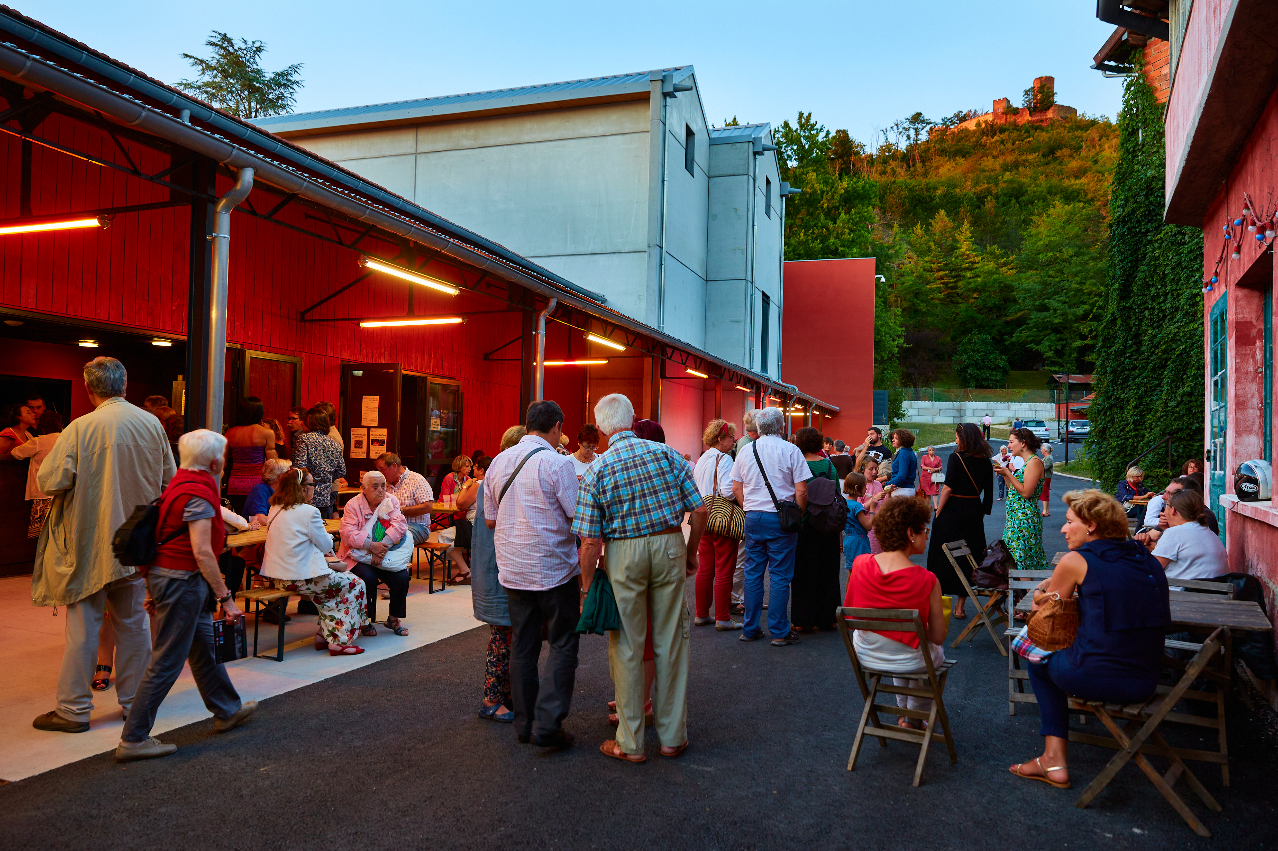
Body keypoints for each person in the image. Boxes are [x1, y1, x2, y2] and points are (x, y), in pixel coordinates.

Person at [31, 357, 174, 734]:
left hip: (88, 542)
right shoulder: (152, 425)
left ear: (89, 389)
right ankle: (135, 705)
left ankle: (74, 711)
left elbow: (50, 481)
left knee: (83, 629)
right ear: (125, 386)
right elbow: (169, 481)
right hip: (136, 541)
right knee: (135, 627)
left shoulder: (81, 428)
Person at [575, 394, 707, 763]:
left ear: (600, 428)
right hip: (667, 545)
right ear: (633, 419)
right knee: (671, 640)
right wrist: (691, 550)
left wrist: (587, 588)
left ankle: (630, 743)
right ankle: (671, 737)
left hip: (622, 553)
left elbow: (589, 541)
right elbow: (699, 509)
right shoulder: (666, 455)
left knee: (627, 645)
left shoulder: (596, 471)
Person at [1010, 490, 1170, 789]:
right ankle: (1052, 757)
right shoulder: (1146, 559)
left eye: (1069, 522)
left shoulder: (1075, 561)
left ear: (1091, 526)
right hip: (1147, 680)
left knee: (1036, 655)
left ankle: (1052, 758)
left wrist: (1040, 593)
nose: (1062, 528)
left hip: (1094, 677)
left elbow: (1042, 613)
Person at [115, 429, 255, 761]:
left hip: (171, 579)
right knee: (166, 661)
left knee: (204, 647)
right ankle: (133, 739)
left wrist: (154, 586)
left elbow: (163, 539)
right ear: (216, 460)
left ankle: (227, 709)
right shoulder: (199, 493)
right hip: (182, 582)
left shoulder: (179, 484)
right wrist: (226, 598)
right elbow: (202, 552)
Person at [484, 400, 581, 751]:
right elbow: (577, 517)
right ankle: (548, 723)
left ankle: (524, 724)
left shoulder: (498, 463)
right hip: (555, 568)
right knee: (562, 643)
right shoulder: (558, 464)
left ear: (527, 425)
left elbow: (490, 518)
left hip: (513, 569)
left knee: (522, 646)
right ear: (556, 426)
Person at [845, 497, 946, 729]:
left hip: (867, 655)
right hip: (909, 659)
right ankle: (914, 717)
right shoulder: (927, 579)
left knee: (902, 640)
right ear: (911, 533)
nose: (927, 535)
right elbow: (938, 636)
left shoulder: (860, 564)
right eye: (924, 530)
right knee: (923, 648)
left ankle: (905, 714)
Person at [260, 466, 367, 654]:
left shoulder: (275, 509)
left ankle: (324, 635)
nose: (314, 488)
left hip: (279, 578)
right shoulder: (309, 511)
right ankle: (340, 641)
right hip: (301, 578)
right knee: (355, 584)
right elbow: (326, 545)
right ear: (301, 488)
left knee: (332, 591)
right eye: (312, 484)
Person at [732, 406, 812, 646]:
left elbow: (736, 487)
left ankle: (750, 627)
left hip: (753, 516)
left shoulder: (746, 450)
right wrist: (798, 513)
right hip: (781, 519)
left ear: (758, 427)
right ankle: (778, 630)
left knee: (753, 572)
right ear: (781, 426)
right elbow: (802, 490)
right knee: (779, 574)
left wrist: (750, 507)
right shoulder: (791, 450)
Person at [471, 427, 525, 724]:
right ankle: (491, 699)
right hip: (500, 569)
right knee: (503, 637)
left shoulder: (493, 475)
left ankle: (504, 694)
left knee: (507, 635)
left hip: (493, 567)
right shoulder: (502, 476)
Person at [926, 423, 993, 620]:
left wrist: (938, 511)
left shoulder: (955, 457)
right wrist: (980, 513)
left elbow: (947, 488)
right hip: (973, 511)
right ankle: (960, 607)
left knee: (942, 554)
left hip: (952, 511)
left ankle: (939, 602)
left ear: (964, 438)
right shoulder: (985, 461)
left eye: (956, 437)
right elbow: (989, 494)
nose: (955, 440)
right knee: (969, 556)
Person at [341, 470, 412, 637]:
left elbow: (400, 525)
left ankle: (394, 618)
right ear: (363, 488)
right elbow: (347, 534)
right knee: (368, 578)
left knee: (402, 577)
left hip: (384, 554)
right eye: (375, 487)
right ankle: (366, 620)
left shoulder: (390, 500)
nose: (381, 490)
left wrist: (383, 546)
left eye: (383, 486)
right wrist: (372, 546)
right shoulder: (353, 505)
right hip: (358, 556)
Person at [790, 426, 842, 633]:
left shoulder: (797, 464)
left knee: (803, 571)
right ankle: (828, 618)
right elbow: (837, 493)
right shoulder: (829, 466)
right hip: (828, 524)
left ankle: (803, 620)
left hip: (805, 523)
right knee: (829, 570)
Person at [693, 419, 740, 630]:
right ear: (721, 438)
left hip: (702, 515)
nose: (734, 440)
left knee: (705, 568)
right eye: (731, 437)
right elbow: (727, 491)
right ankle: (722, 617)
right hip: (721, 517)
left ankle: (701, 614)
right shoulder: (725, 459)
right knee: (724, 568)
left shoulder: (702, 458)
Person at [995, 428, 1048, 570]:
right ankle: (1024, 592)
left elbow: (1026, 493)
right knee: (1015, 561)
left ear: (1023, 443)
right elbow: (1014, 488)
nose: (1009, 446)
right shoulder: (1026, 463)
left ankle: (1029, 592)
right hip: (1016, 520)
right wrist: (1005, 474)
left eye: (1011, 442)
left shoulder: (1034, 462)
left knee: (1022, 562)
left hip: (1024, 520)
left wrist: (1008, 472)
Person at [1151, 490, 1229, 580]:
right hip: (1214, 592)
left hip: (1183, 592)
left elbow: (1151, 569)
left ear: (1173, 510)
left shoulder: (1175, 533)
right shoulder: (1210, 533)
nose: (1164, 512)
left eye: (1166, 506)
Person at [11, 409, 63, 538]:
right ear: (61, 425)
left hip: (42, 493)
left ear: (43, 428)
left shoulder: (38, 441)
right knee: (59, 533)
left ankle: (43, 558)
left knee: (42, 535)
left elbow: (16, 453)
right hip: (62, 492)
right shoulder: (67, 440)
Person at [223, 396, 277, 516]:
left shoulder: (230, 433)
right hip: (257, 483)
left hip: (235, 484)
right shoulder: (267, 433)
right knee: (256, 519)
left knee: (237, 518)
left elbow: (224, 463)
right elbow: (271, 463)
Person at [292, 406, 345, 519]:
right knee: (321, 529)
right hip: (325, 496)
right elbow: (342, 470)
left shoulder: (304, 439)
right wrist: (326, 477)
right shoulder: (333, 443)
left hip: (306, 495)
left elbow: (299, 468)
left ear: (309, 422)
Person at [374, 452, 435, 547]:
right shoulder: (385, 484)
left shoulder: (416, 480)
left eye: (382, 470)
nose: (381, 474)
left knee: (393, 536)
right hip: (389, 524)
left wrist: (399, 511)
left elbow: (427, 507)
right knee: (370, 535)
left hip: (416, 526)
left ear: (394, 466)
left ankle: (394, 561)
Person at [445, 454, 489, 583]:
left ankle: (465, 571)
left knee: (444, 537)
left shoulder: (478, 484)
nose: (471, 470)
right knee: (453, 535)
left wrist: (465, 486)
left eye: (474, 467)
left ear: (481, 470)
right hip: (485, 525)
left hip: (474, 525)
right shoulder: (492, 482)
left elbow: (460, 504)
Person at [842, 471, 882, 566]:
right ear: (857, 487)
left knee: (851, 570)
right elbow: (868, 526)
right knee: (861, 569)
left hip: (848, 539)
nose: (866, 488)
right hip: (859, 541)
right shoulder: (857, 507)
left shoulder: (844, 503)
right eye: (864, 486)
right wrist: (872, 509)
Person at [244, 457, 292, 522]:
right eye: (289, 474)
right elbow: (260, 519)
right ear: (281, 477)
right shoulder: (260, 489)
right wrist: (285, 521)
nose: (292, 478)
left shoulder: (283, 491)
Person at [860, 457, 886, 554]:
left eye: (876, 469)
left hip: (880, 524)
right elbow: (859, 508)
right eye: (871, 469)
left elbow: (885, 503)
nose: (874, 472)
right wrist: (874, 498)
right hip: (867, 526)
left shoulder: (878, 484)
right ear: (863, 470)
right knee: (871, 553)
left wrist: (889, 493)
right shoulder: (860, 486)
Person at [884, 428, 918, 497]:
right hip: (908, 489)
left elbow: (902, 475)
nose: (892, 440)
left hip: (902, 490)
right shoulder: (910, 452)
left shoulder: (903, 453)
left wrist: (887, 484)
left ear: (903, 440)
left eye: (896, 438)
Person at [920, 445, 943, 514]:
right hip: (926, 477)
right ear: (927, 451)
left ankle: (936, 506)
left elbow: (940, 467)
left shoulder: (938, 458)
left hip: (934, 476)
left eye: (933, 450)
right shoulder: (924, 457)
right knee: (927, 492)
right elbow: (922, 466)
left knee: (935, 490)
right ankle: (927, 506)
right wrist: (930, 469)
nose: (931, 451)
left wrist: (935, 469)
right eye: (930, 450)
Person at [1039, 444, 1055, 517]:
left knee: (1045, 492)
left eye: (1042, 449)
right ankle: (1047, 510)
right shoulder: (1046, 457)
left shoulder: (1048, 458)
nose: (1041, 450)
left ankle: (1045, 510)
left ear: (1045, 450)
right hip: (1045, 477)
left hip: (1046, 477)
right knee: (1045, 492)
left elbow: (1045, 467)